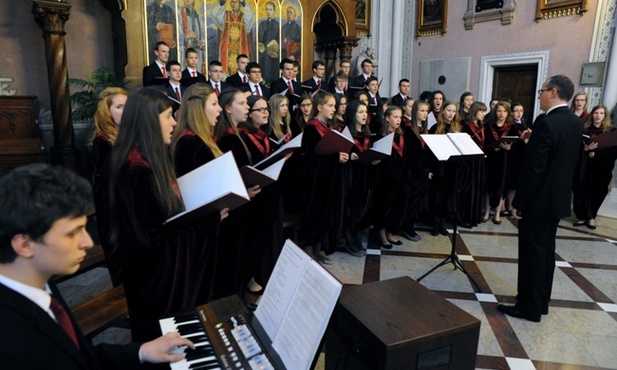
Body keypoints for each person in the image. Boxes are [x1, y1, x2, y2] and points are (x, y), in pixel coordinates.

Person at [0, 164, 196, 370]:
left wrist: (141, 351)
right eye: (72, 233)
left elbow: (77, 356)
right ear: (24, 245)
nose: (87, 242)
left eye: (85, 228)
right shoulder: (8, 336)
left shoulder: (40, 281)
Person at [107, 88, 222, 341]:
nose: (173, 122)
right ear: (149, 120)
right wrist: (209, 219)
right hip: (155, 284)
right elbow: (150, 240)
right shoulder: (136, 170)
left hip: (158, 276)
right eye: (169, 116)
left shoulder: (147, 159)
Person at [498, 75, 584, 323]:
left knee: (531, 255)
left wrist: (519, 202)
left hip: (537, 202)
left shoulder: (547, 124)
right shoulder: (574, 122)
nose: (540, 95)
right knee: (546, 253)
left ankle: (529, 308)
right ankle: (540, 301)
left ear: (553, 92)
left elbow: (535, 169)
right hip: (557, 200)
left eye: (542, 90)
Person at [301, 92, 350, 264]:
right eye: (330, 106)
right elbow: (307, 158)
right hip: (315, 183)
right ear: (320, 107)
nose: (334, 109)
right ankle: (308, 251)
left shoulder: (328, 127)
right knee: (314, 216)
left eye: (334, 106)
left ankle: (318, 249)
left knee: (325, 215)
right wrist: (334, 157)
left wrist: (340, 155)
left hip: (328, 180)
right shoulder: (311, 128)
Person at [88, 87, 127, 287]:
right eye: (119, 107)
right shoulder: (102, 142)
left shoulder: (125, 136)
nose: (125, 111)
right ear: (106, 112)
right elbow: (102, 185)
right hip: (113, 215)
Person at [573, 104, 617, 229]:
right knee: (582, 190)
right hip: (585, 166)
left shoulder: (611, 131)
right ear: (592, 115)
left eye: (601, 113)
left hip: (602, 168)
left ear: (605, 116)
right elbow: (575, 146)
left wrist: (596, 153)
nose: (598, 116)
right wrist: (585, 149)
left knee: (598, 191)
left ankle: (591, 216)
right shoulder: (585, 129)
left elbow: (614, 150)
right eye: (596, 113)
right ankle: (582, 216)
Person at [372, 106, 409, 249]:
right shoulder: (380, 136)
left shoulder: (402, 135)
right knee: (384, 206)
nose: (398, 120)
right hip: (385, 178)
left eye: (400, 117)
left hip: (400, 177)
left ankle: (390, 232)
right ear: (387, 118)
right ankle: (381, 233)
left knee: (397, 206)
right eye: (395, 117)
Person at [483, 101, 518, 225]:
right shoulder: (488, 126)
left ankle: (497, 213)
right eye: (499, 111)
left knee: (501, 186)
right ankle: (487, 212)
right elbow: (484, 143)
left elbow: (517, 145)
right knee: (489, 186)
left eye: (504, 111)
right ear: (495, 112)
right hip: (491, 160)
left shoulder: (512, 127)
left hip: (505, 160)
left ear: (507, 113)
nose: (501, 113)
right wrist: (492, 148)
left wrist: (510, 149)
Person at [211, 0, 255, 75]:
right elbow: (215, 15)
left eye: (236, 2)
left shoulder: (244, 17)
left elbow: (251, 17)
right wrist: (222, 2)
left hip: (241, 49)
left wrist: (244, 3)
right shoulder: (225, 16)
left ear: (240, 4)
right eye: (232, 2)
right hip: (226, 50)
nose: (233, 4)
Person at [178, 0, 205, 71]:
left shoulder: (197, 16)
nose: (192, 1)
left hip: (196, 52)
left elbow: (203, 33)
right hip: (184, 50)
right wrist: (186, 36)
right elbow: (176, 35)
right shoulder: (179, 14)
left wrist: (201, 44)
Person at [258, 1, 279, 83]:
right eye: (267, 9)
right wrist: (260, 46)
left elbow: (280, 42)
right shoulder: (262, 24)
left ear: (274, 11)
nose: (268, 12)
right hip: (263, 56)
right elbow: (258, 40)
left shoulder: (278, 25)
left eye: (270, 9)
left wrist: (277, 52)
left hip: (273, 56)